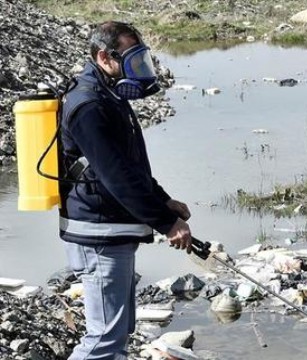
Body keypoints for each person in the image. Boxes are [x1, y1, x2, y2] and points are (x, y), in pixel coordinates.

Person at [58, 21, 192, 359]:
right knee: (103, 341)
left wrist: (164, 202)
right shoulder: (89, 104)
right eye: (131, 61)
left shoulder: (108, 95)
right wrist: (166, 223)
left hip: (112, 231)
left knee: (117, 335)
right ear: (104, 57)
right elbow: (116, 176)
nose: (140, 70)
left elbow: (130, 166)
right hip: (99, 235)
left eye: (141, 59)